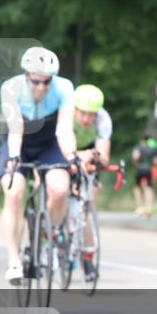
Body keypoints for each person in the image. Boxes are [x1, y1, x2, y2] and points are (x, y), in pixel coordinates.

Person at [0, 46, 76, 284]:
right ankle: (14, 260)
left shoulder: (64, 88)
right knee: (14, 192)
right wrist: (14, 158)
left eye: (46, 82)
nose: (41, 87)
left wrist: (72, 157)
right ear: (26, 76)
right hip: (19, 141)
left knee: (60, 189)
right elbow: (16, 128)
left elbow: (64, 129)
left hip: (49, 143)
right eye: (36, 82)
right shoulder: (11, 88)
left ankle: (46, 237)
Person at [71, 84, 112, 281]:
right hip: (66, 148)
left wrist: (96, 156)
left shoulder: (103, 119)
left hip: (89, 153)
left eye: (91, 114)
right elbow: (60, 149)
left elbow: (104, 155)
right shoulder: (64, 115)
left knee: (87, 204)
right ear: (75, 110)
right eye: (83, 114)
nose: (87, 119)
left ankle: (88, 258)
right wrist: (78, 156)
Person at [132, 134, 157, 217]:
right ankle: (149, 208)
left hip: (140, 169)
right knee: (149, 188)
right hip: (149, 170)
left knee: (137, 188)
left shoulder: (138, 147)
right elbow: (156, 161)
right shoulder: (153, 149)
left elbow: (135, 156)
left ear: (142, 140)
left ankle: (139, 207)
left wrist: (136, 163)